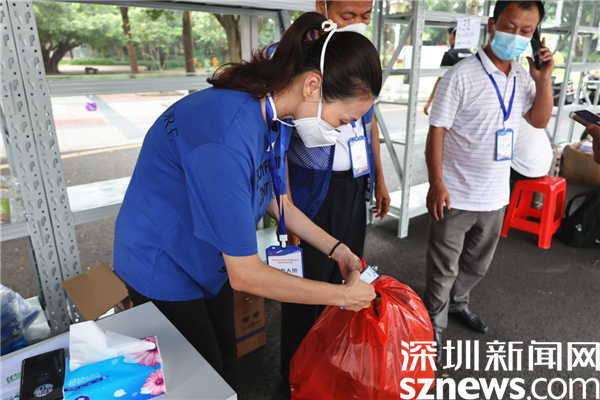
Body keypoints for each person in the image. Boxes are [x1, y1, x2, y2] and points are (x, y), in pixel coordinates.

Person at [113, 12, 380, 395]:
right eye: (343, 120)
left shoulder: (271, 113)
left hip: (206, 255)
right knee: (199, 384)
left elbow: (274, 197)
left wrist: (339, 251)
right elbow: (246, 275)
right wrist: (342, 297)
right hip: (162, 263)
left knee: (225, 365)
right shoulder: (228, 133)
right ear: (312, 85)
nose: (340, 131)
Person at [424, 0, 554, 363]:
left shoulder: (523, 76)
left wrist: (544, 79)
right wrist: (436, 183)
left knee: (477, 264)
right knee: (442, 269)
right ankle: (432, 328)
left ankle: (457, 304)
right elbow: (436, 132)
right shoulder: (460, 75)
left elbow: (539, 120)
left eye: (527, 31)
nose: (517, 36)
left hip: (496, 193)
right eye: (510, 27)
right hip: (456, 193)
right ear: (492, 24)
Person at [279, 0, 391, 386]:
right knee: (306, 286)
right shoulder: (299, 60)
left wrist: (378, 179)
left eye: (365, 17)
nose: (358, 24)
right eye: (348, 16)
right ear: (322, 6)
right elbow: (278, 146)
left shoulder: (361, 58)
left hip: (353, 183)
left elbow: (368, 123)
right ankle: (294, 375)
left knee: (346, 274)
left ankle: (328, 370)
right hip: (310, 191)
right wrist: (288, 211)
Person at [424, 27, 473, 116]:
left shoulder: (450, 54)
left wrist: (429, 102)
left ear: (452, 36)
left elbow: (440, 80)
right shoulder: (471, 55)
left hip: (452, 99)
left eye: (448, 36)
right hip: (470, 98)